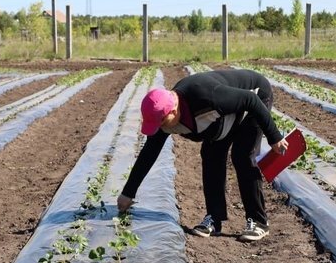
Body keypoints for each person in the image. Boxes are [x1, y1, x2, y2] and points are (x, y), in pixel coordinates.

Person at [117, 69, 289, 242]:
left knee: (242, 156)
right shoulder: (162, 118)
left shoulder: (207, 97)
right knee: (211, 154)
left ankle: (259, 222)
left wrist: (274, 137)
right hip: (224, 117)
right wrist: (128, 193)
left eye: (161, 122)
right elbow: (149, 152)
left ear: (174, 110)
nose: (159, 128)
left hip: (255, 97)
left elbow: (250, 99)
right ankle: (214, 219)